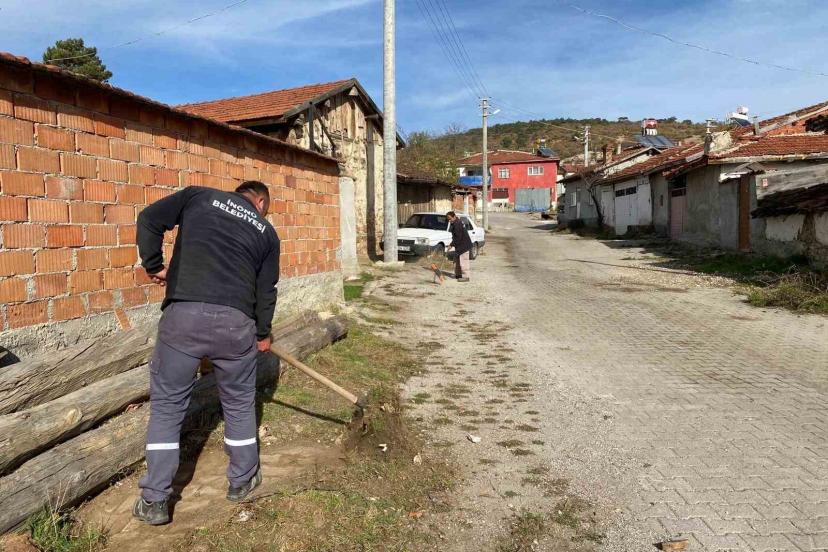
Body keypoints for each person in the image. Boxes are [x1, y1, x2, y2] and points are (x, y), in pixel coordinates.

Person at [133, 181, 280, 525]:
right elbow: (266, 289)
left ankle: (155, 500)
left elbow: (149, 219)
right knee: (240, 401)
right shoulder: (267, 233)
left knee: (168, 406)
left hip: (184, 314)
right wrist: (262, 332)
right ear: (259, 202)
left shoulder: (197, 196)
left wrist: (153, 265)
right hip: (236, 323)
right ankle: (242, 481)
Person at [447, 211, 472, 282]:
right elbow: (455, 237)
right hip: (459, 245)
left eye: (450, 219)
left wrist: (451, 245)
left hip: (464, 246)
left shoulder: (458, 224)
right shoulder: (455, 222)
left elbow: (458, 237)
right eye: (448, 219)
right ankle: (458, 274)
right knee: (456, 260)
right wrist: (452, 244)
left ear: (454, 217)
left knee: (463, 261)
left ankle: (466, 276)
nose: (449, 221)